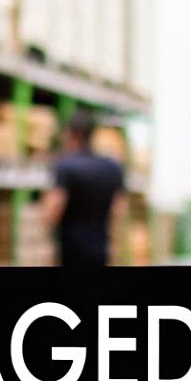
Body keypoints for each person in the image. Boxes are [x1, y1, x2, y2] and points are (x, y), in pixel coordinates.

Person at [41, 110, 127, 266]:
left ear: (72, 134)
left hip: (71, 251)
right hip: (100, 250)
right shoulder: (113, 167)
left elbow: (53, 210)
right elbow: (118, 210)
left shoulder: (66, 166)